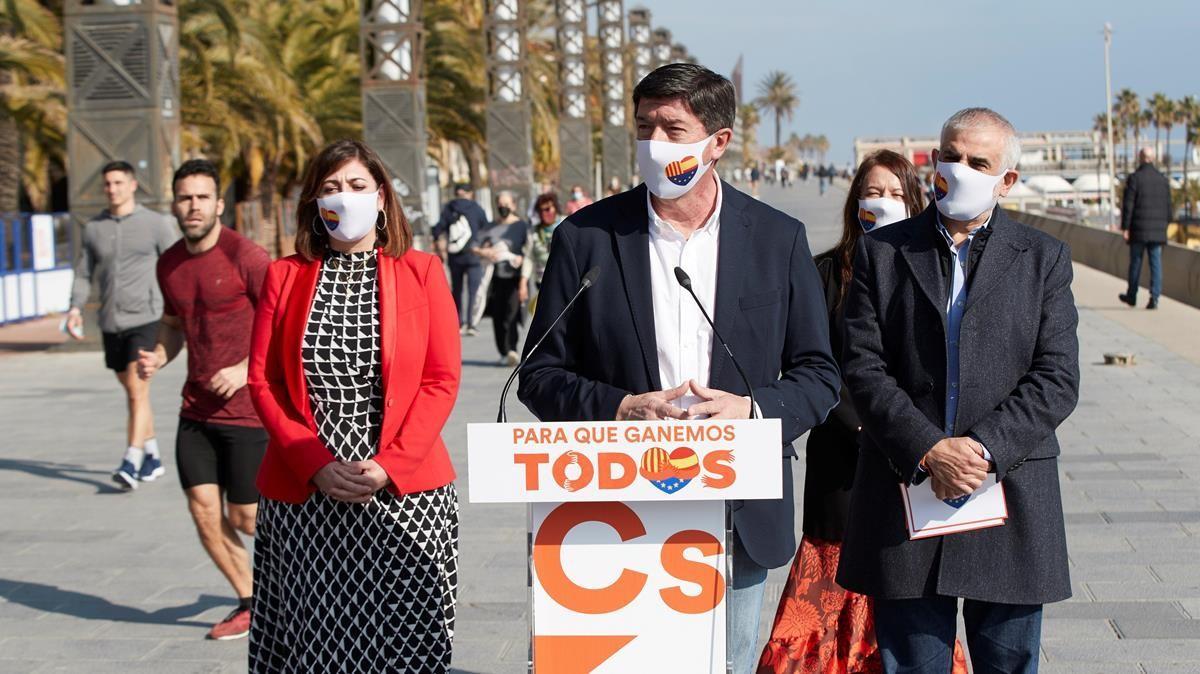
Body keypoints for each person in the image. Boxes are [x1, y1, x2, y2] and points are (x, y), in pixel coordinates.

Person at [517, 63, 840, 674]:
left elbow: (819, 375)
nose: (653, 145)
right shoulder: (584, 239)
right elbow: (537, 374)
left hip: (736, 507)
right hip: (615, 504)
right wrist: (623, 406)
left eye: (672, 128)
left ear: (717, 142)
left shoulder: (778, 239)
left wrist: (750, 408)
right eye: (643, 129)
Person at [837, 108, 1080, 674]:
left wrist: (982, 450)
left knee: (1009, 663)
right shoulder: (884, 252)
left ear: (1007, 181)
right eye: (950, 156)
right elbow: (863, 366)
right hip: (906, 496)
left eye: (978, 162)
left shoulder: (1043, 258)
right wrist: (928, 448)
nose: (958, 169)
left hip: (1008, 497)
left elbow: (1057, 376)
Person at [247, 139, 461, 671]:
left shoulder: (423, 270)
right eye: (331, 188)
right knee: (316, 647)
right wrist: (313, 464)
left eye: (358, 186)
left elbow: (441, 378)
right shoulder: (285, 275)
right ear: (315, 203)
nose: (345, 198)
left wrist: (390, 465)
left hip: (403, 493)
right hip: (308, 494)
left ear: (382, 197)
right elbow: (263, 380)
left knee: (408, 646)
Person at [757, 151, 968, 674]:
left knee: (908, 591)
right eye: (874, 193)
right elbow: (810, 364)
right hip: (840, 459)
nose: (884, 203)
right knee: (832, 578)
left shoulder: (937, 273)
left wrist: (912, 437)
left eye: (897, 194)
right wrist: (862, 422)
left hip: (914, 460)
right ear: (856, 203)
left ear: (918, 201)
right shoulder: (823, 272)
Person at [136, 158, 271, 641]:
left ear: (218, 203)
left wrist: (243, 371)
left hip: (248, 412)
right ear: (175, 203)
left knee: (247, 517)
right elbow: (175, 325)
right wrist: (157, 355)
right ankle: (251, 601)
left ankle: (311, 583)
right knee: (203, 512)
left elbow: (282, 323)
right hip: (195, 410)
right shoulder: (169, 263)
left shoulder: (247, 257)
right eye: (184, 197)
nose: (192, 206)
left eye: (201, 197)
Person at [66, 160, 178, 491]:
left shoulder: (157, 224)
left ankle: (131, 459)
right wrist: (74, 308)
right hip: (110, 321)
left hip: (147, 317)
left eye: (118, 183)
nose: (112, 189)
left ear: (132, 185)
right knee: (132, 390)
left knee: (136, 387)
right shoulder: (94, 228)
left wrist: (181, 312)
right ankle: (153, 455)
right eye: (107, 184)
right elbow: (84, 272)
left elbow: (175, 268)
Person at [473, 190, 529, 366]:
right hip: (494, 278)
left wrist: (522, 270)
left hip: (514, 276)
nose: (503, 208)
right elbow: (474, 246)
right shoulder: (490, 227)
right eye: (500, 205)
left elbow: (528, 251)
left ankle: (512, 348)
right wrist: (486, 252)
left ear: (513, 205)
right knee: (497, 316)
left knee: (512, 314)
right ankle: (503, 351)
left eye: (506, 205)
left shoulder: (521, 226)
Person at [432, 183, 489, 335]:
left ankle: (458, 322)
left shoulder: (449, 208)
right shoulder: (476, 208)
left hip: (454, 255)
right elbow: (486, 228)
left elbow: (438, 228)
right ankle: (471, 323)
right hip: (474, 254)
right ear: (470, 193)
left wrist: (437, 242)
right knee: (473, 291)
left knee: (456, 290)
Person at [1119, 147, 1172, 310]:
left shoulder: (1135, 178)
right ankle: (1154, 297)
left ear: (1141, 158)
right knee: (1156, 264)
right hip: (1157, 231)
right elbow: (1169, 208)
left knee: (1136, 262)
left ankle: (1132, 295)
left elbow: (1128, 205)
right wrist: (1165, 225)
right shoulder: (1162, 180)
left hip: (1138, 229)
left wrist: (1125, 227)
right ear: (1153, 158)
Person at [520, 192, 563, 308]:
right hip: (542, 281)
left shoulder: (565, 225)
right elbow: (529, 257)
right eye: (541, 210)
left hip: (563, 280)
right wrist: (523, 283)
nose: (545, 213)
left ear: (556, 208)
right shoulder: (533, 231)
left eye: (548, 209)